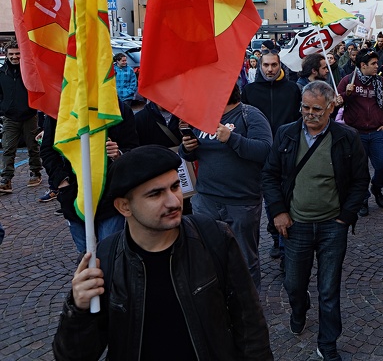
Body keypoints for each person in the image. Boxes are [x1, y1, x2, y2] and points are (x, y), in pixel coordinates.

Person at [52, 145, 274, 361]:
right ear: (124, 207)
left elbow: (249, 323)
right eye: (156, 194)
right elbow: (73, 355)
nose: (173, 201)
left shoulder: (213, 237)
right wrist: (78, 309)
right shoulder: (105, 259)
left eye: (175, 187)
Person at [261, 81, 369, 361]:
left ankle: (328, 342)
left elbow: (360, 180)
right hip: (295, 225)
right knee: (294, 283)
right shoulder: (286, 134)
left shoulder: (347, 137)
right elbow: (270, 175)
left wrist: (346, 217)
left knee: (329, 289)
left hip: (333, 227)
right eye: (305, 108)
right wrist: (278, 211)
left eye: (317, 110)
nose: (309, 114)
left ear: (331, 107)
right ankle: (299, 308)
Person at [180, 84, 272, 290]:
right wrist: (186, 148)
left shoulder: (250, 115)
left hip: (240, 203)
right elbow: (190, 153)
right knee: (209, 256)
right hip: (206, 201)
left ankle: (249, 309)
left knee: (245, 260)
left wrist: (233, 139)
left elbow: (265, 150)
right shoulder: (203, 117)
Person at [41, 102, 140, 252]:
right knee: (86, 254)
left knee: (109, 252)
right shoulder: (61, 107)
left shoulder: (118, 108)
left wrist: (119, 154)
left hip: (110, 196)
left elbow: (132, 148)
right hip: (74, 195)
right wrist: (62, 181)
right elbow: (48, 150)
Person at [241, 48, 302, 259]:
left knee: (289, 192)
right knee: (269, 193)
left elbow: (299, 118)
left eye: (273, 65)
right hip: (262, 151)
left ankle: (288, 235)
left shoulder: (293, 89)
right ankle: (276, 234)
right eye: (266, 65)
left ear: (280, 65)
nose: (269, 69)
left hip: (288, 149)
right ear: (259, 65)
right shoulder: (249, 91)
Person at [337, 49, 383, 217]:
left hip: (377, 132)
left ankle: (376, 188)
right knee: (360, 170)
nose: (377, 66)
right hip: (356, 133)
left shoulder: (381, 82)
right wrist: (345, 94)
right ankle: (363, 198)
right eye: (374, 64)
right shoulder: (348, 81)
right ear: (363, 65)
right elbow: (336, 103)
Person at [0, 41, 43, 191]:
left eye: (17, 53)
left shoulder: (29, 71)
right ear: (6, 55)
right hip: (10, 118)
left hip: (29, 116)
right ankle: (6, 179)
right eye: (11, 54)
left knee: (33, 147)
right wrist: (3, 108)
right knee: (8, 148)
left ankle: (35, 172)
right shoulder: (2, 73)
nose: (14, 57)